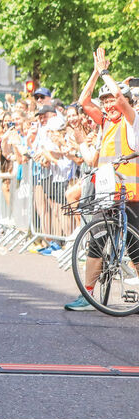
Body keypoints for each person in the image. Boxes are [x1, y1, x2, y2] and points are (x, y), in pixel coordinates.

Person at [64, 48, 139, 311]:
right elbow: (84, 101)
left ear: (125, 102)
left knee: (136, 247)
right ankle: (87, 295)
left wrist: (107, 73)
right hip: (108, 193)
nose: (107, 104)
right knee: (95, 240)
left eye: (111, 101)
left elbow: (119, 95)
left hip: (131, 195)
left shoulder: (132, 121)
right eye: (104, 101)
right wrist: (96, 73)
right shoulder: (106, 121)